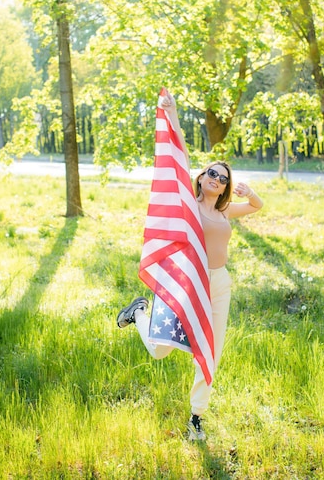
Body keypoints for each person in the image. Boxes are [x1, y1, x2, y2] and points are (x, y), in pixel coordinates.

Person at [116, 92, 263, 441]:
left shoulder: (225, 210)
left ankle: (197, 416)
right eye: (211, 173)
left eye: (223, 177)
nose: (216, 178)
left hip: (219, 284)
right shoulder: (187, 204)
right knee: (160, 349)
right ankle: (139, 313)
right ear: (200, 177)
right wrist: (175, 114)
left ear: (226, 187)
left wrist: (249, 191)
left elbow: (257, 206)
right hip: (185, 283)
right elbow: (179, 149)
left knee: (210, 350)